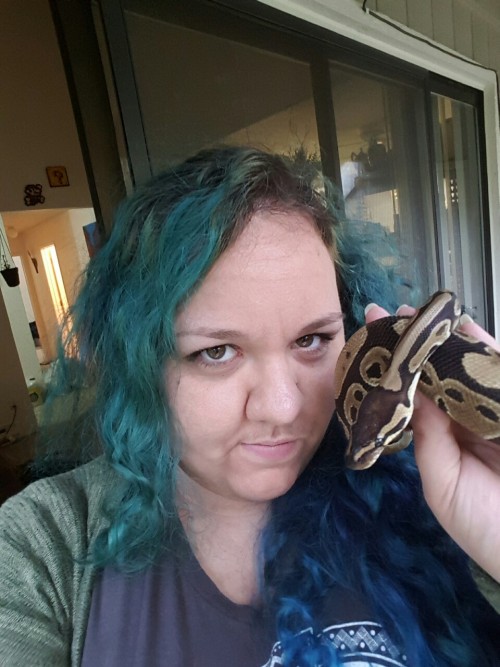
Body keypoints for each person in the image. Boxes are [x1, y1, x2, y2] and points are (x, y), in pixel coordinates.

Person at [0, 146, 499, 666]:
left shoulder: (429, 481)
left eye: (311, 340)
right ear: (140, 362)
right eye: (216, 352)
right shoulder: (42, 548)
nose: (283, 408)